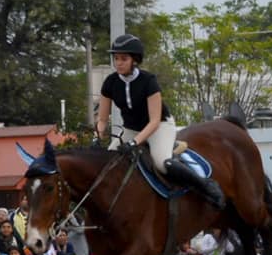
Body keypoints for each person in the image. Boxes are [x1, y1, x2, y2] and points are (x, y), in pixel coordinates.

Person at [96, 33, 224, 208]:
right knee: (106, 165)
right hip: (131, 129)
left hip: (159, 127)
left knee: (163, 163)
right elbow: (103, 118)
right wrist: (98, 134)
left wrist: (134, 143)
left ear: (135, 60)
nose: (118, 63)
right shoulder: (110, 83)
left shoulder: (149, 81)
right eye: (116, 58)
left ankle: (206, 185)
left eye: (123, 59)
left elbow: (154, 121)